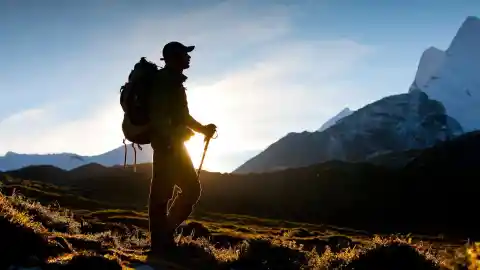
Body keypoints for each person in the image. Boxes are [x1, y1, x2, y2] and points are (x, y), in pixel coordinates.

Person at [147, 41, 217, 256]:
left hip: (173, 145)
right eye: (185, 54)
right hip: (168, 146)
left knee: (167, 193)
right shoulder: (164, 82)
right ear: (174, 57)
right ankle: (161, 241)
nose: (189, 57)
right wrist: (171, 136)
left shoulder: (174, 82)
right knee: (167, 194)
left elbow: (182, 116)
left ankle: (163, 238)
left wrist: (202, 129)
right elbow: (157, 116)